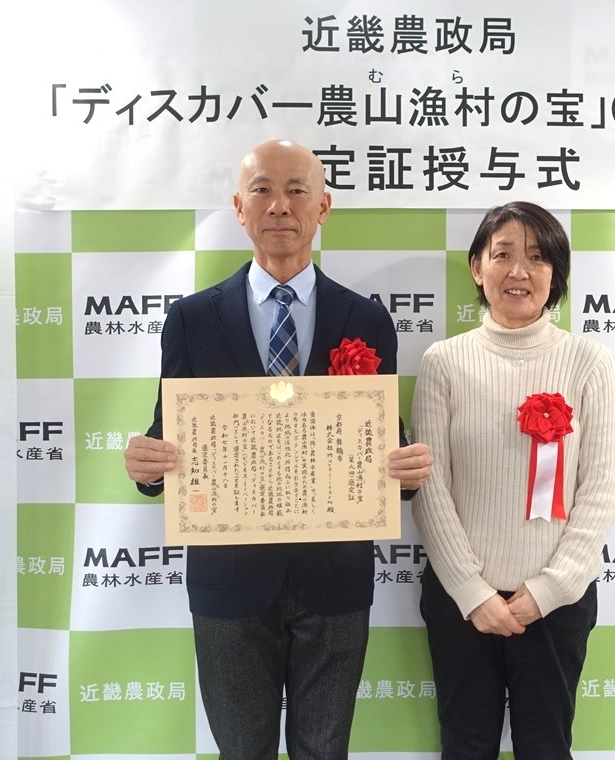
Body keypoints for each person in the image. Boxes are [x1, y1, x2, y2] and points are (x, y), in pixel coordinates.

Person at [124, 139, 432, 760]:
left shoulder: (367, 321)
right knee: (243, 751)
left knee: (325, 751)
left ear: (324, 206)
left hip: (335, 578)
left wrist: (406, 469)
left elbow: (382, 444)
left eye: (297, 190)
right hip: (229, 580)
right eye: (262, 190)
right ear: (240, 207)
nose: (280, 206)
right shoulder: (191, 319)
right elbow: (169, 437)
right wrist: (147, 466)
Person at [411, 202, 615, 760]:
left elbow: (598, 491)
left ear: (557, 273)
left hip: (557, 605)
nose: (519, 271)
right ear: (477, 268)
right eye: (502, 254)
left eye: (537, 257)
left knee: (547, 747)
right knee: (465, 745)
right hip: (462, 602)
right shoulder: (443, 361)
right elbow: (430, 489)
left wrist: (548, 591)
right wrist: (473, 592)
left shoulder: (588, 361)